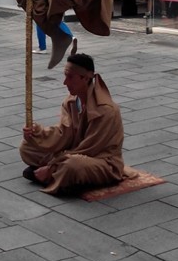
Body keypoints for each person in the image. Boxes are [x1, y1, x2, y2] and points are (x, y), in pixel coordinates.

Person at [20, 52, 124, 195]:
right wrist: (36, 132)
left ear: (86, 78)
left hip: (101, 161)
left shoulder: (106, 110)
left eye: (70, 77)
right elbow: (63, 133)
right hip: (73, 151)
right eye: (65, 76)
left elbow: (90, 149)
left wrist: (52, 165)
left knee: (72, 165)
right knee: (27, 147)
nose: (65, 82)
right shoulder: (70, 101)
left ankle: (55, 174)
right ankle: (58, 175)